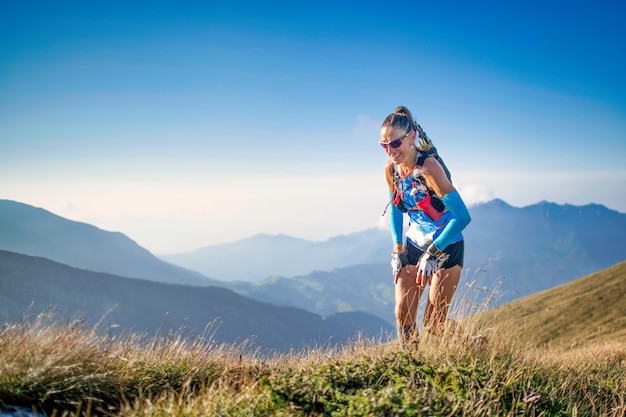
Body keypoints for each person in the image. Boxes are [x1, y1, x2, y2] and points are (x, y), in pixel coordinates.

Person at [380, 105, 472, 348]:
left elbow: (462, 217)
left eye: (395, 144)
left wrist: (432, 253)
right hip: (413, 243)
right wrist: (397, 248)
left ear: (411, 138)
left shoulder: (429, 168)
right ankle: (412, 372)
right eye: (384, 145)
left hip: (446, 245)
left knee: (433, 323)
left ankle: (471, 345)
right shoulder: (392, 170)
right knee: (402, 313)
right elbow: (396, 207)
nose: (390, 151)